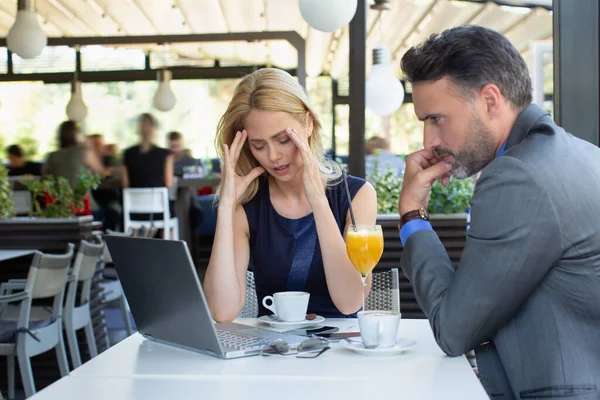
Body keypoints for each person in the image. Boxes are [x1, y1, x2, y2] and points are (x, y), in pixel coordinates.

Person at [397, 26, 600, 399]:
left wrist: (412, 214)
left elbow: (454, 330)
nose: (429, 141)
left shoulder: (516, 176)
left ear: (491, 100)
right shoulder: (583, 153)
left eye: (436, 118)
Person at [204, 68, 377, 322]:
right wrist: (226, 206)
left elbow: (350, 301)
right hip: (274, 352)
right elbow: (222, 310)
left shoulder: (358, 195)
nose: (273, 156)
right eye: (259, 145)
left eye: (283, 139)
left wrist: (318, 200)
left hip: (341, 351)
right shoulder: (248, 207)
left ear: (307, 123)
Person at [44, 121, 108, 188]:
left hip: (58, 197)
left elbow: (46, 178)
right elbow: (101, 173)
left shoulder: (52, 155)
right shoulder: (84, 153)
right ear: (77, 135)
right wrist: (89, 146)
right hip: (81, 197)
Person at [121, 113, 173, 190]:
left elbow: (125, 184)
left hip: (134, 199)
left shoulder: (128, 153)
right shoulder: (165, 154)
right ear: (154, 130)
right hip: (157, 199)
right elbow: (168, 184)